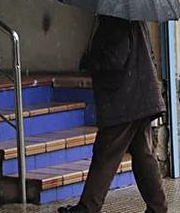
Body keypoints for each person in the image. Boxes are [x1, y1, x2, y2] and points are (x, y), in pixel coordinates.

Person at [59, 15, 168, 213]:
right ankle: (158, 207)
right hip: (140, 96)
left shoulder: (114, 20)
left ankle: (88, 208)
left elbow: (114, 59)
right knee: (143, 155)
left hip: (124, 100)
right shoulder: (133, 17)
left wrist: (90, 59)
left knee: (105, 153)